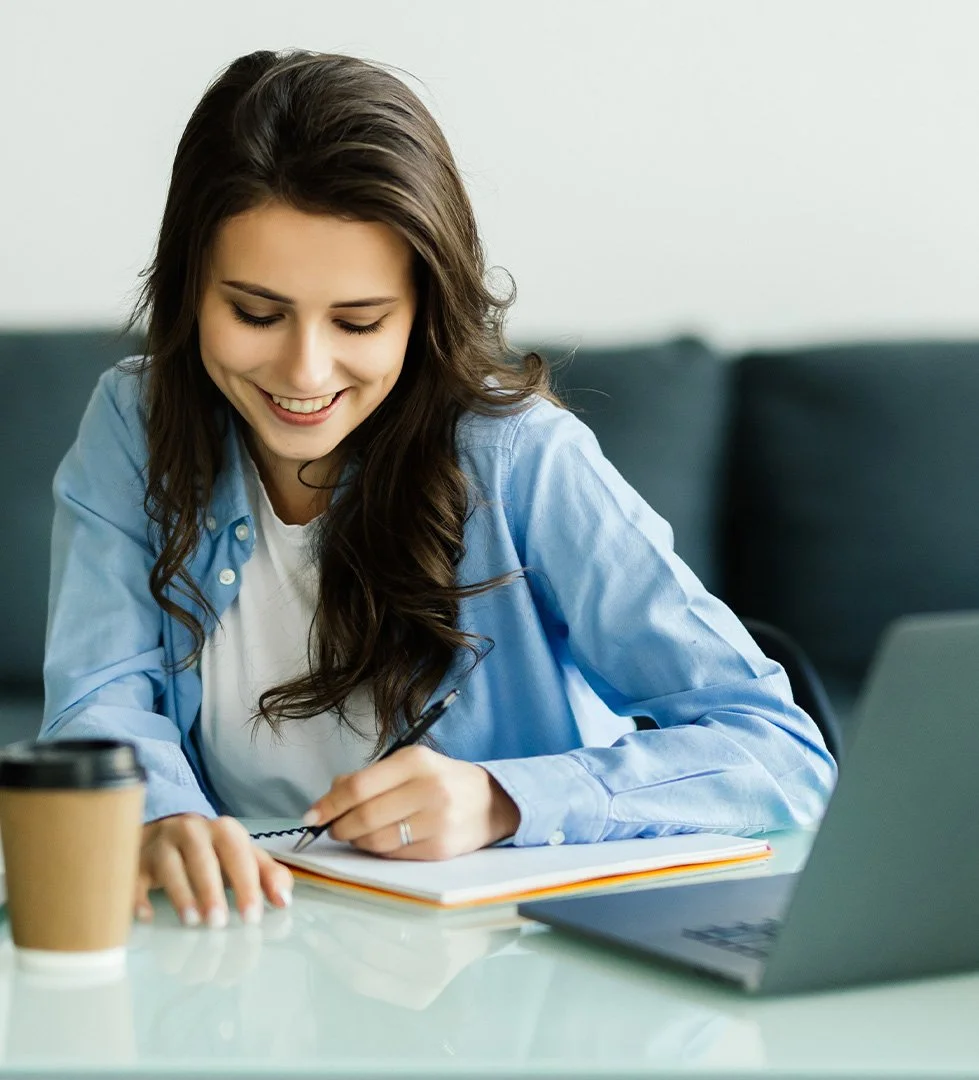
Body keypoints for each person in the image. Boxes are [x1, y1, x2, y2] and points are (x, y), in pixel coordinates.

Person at [41, 49, 836, 930]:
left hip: (494, 966)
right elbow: (97, 698)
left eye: (359, 322)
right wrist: (159, 816)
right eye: (256, 314)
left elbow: (781, 752)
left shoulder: (521, 457)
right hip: (239, 944)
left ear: (423, 309)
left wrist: (503, 800)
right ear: (190, 290)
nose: (304, 371)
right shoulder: (135, 420)